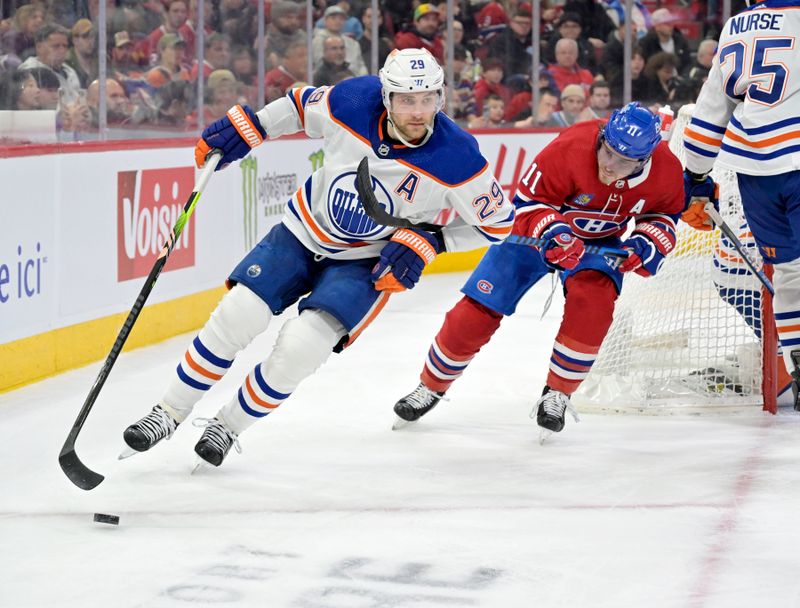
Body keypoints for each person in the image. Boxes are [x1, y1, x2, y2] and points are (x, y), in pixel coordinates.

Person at [122, 48, 516, 467]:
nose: (419, 112)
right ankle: (167, 412)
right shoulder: (352, 101)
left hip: (366, 262)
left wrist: (432, 241)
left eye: (428, 99)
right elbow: (297, 107)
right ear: (386, 97)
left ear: (440, 97)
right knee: (238, 314)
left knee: (301, 348)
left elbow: (497, 225)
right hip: (301, 231)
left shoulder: (458, 157)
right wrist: (254, 127)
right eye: (406, 99)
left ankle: (228, 426)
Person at [390, 103, 684, 438]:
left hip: (600, 242)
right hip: (534, 237)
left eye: (625, 162)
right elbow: (528, 203)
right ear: (602, 137)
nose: (610, 166)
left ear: (644, 160)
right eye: (608, 152)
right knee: (476, 310)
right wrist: (555, 232)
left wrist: (646, 244)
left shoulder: (667, 170)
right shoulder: (571, 146)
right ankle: (430, 386)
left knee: (594, 304)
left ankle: (558, 393)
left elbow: (664, 215)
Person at [681, 0, 800, 409]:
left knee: (788, 274)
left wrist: (695, 176)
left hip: (754, 174)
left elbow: (710, 111)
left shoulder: (735, 25)